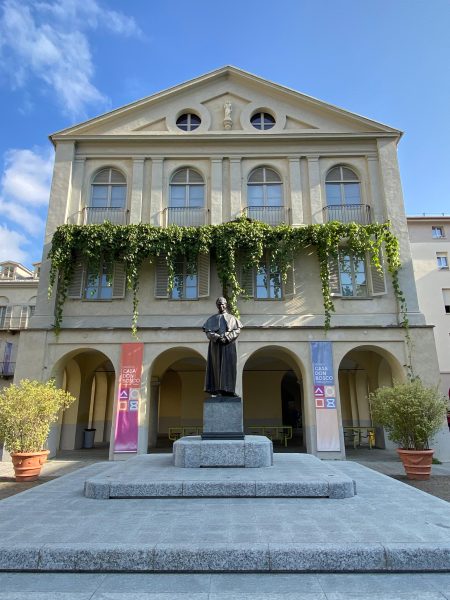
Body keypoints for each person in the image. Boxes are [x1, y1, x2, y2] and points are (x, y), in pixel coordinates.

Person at [203, 297, 242, 396]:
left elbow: (237, 330)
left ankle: (230, 390)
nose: (221, 306)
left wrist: (228, 338)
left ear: (226, 304)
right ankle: (218, 390)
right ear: (217, 305)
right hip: (216, 346)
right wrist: (217, 337)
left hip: (229, 345)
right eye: (219, 304)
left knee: (230, 367)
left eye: (223, 304)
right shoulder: (212, 319)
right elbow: (208, 332)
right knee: (216, 367)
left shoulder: (232, 318)